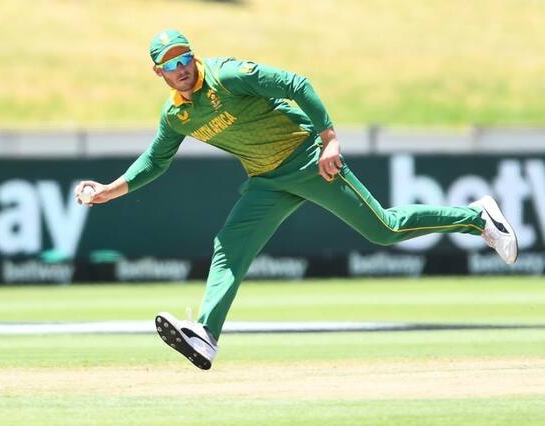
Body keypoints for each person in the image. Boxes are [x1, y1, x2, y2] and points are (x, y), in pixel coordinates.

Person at [75, 29, 518, 370]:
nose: (182, 67)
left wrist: (329, 139)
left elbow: (294, 82)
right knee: (229, 246)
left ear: (194, 56)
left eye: (185, 57)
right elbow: (156, 160)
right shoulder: (177, 114)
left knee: (384, 230)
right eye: (171, 63)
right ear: (159, 73)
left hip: (309, 160)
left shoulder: (227, 75)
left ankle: (477, 217)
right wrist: (108, 190)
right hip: (266, 181)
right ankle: (206, 333)